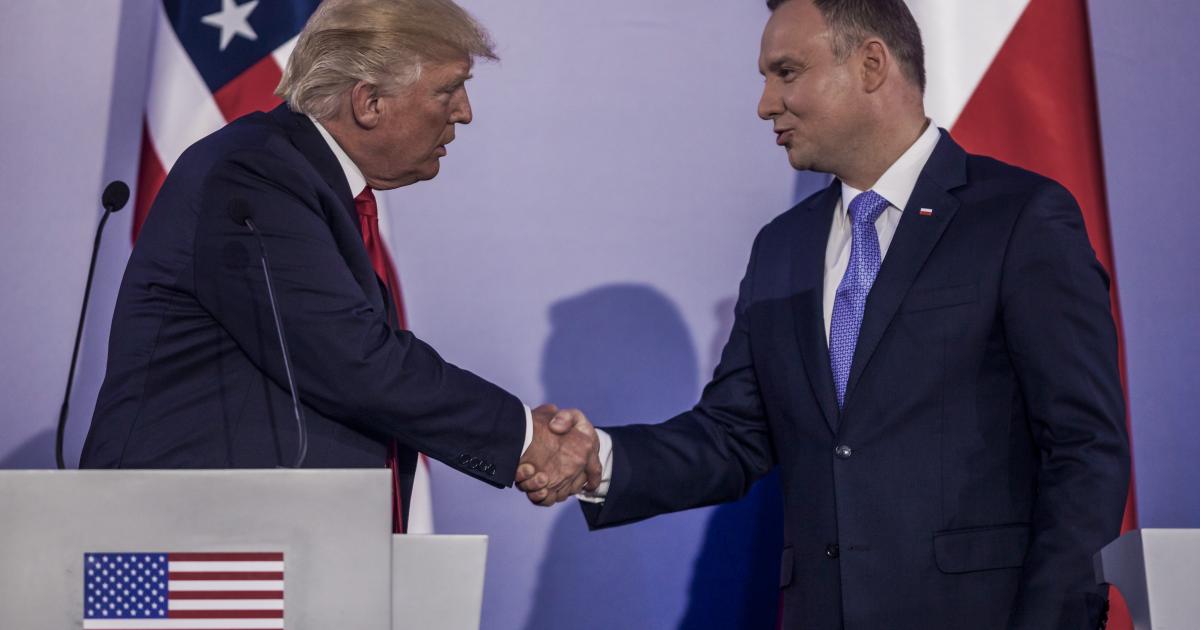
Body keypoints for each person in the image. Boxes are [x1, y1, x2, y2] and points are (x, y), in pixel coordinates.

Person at [518, 0, 1129, 627]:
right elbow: (733, 434)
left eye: (786, 72)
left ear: (871, 64)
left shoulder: (1018, 218)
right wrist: (599, 459)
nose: (765, 104)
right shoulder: (782, 247)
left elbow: (1084, 448)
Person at [80, 0, 601, 532]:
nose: (464, 112)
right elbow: (353, 358)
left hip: (269, 537)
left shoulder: (307, 182)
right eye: (448, 90)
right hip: (179, 543)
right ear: (369, 102)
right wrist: (523, 436)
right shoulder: (253, 175)